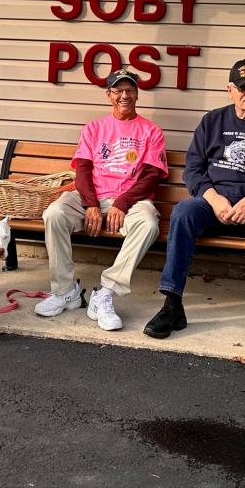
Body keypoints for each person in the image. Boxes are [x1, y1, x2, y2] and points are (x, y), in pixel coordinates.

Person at [143, 59, 245, 357]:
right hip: (216, 203)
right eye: (243, 87)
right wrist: (213, 198)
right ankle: (172, 304)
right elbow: (193, 168)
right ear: (230, 90)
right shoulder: (212, 122)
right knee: (182, 213)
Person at [35, 69, 168, 331]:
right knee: (54, 214)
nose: (124, 95)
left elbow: (152, 176)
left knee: (149, 224)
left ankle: (105, 293)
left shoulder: (151, 131)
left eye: (129, 90)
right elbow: (82, 170)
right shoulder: (94, 128)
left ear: (137, 94)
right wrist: (91, 204)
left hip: (130, 201)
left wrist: (122, 203)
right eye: (118, 91)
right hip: (92, 197)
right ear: (109, 95)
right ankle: (64, 292)